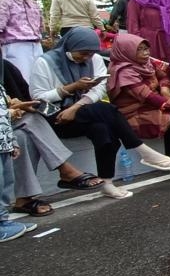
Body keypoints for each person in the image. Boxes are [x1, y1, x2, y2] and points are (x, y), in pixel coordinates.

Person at [30, 28, 170, 199]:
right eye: (83, 53)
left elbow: (99, 89)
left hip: (82, 111)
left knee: (103, 131)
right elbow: (38, 98)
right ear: (70, 47)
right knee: (106, 109)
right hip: (56, 115)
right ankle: (141, 149)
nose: (86, 58)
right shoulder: (45, 63)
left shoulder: (94, 59)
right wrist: (70, 88)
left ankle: (107, 183)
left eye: (90, 53)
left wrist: (75, 106)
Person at [2, 60, 103, 216]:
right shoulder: (48, 61)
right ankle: (65, 170)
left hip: (7, 125)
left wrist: (19, 106)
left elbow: (19, 95)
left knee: (23, 134)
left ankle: (24, 199)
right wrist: (12, 110)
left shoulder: (4, 67)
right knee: (30, 121)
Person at [106, 33, 170, 180]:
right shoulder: (123, 71)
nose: (146, 53)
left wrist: (164, 88)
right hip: (133, 112)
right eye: (140, 50)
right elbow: (148, 96)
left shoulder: (146, 63)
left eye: (146, 49)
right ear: (127, 50)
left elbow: (163, 74)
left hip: (150, 106)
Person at [0, 89, 36, 242]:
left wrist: (12, 141)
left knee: (6, 182)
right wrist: (9, 113)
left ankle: (3, 221)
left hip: (3, 142)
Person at [0, 0, 45, 79]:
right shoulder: (5, 3)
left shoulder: (34, 4)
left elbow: (40, 26)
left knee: (40, 79)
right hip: (15, 47)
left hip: (36, 45)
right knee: (21, 80)